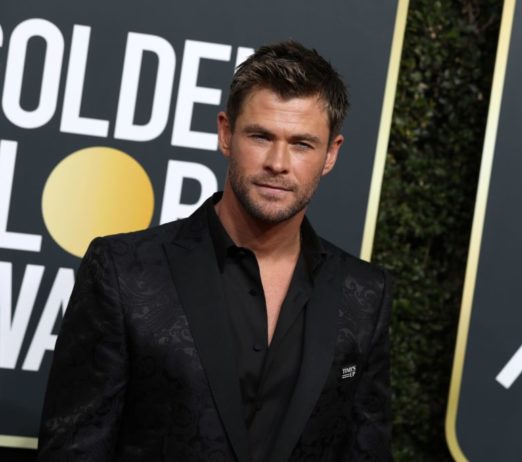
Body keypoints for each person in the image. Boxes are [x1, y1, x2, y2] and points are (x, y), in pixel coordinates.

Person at [38, 40, 392, 462]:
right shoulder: (124, 272)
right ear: (226, 133)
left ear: (331, 154)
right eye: (261, 136)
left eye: (302, 144)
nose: (278, 163)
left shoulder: (364, 295)